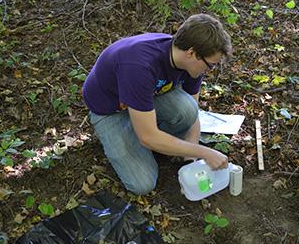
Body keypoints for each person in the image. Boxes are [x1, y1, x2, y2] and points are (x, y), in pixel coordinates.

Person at [83, 14, 232, 195]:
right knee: (142, 184)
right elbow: (148, 137)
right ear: (192, 53)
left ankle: (149, 133)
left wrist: (190, 163)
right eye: (210, 65)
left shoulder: (192, 64)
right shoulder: (139, 65)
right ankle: (128, 133)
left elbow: (193, 115)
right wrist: (205, 153)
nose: (210, 70)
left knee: (188, 110)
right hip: (110, 109)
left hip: (148, 97)